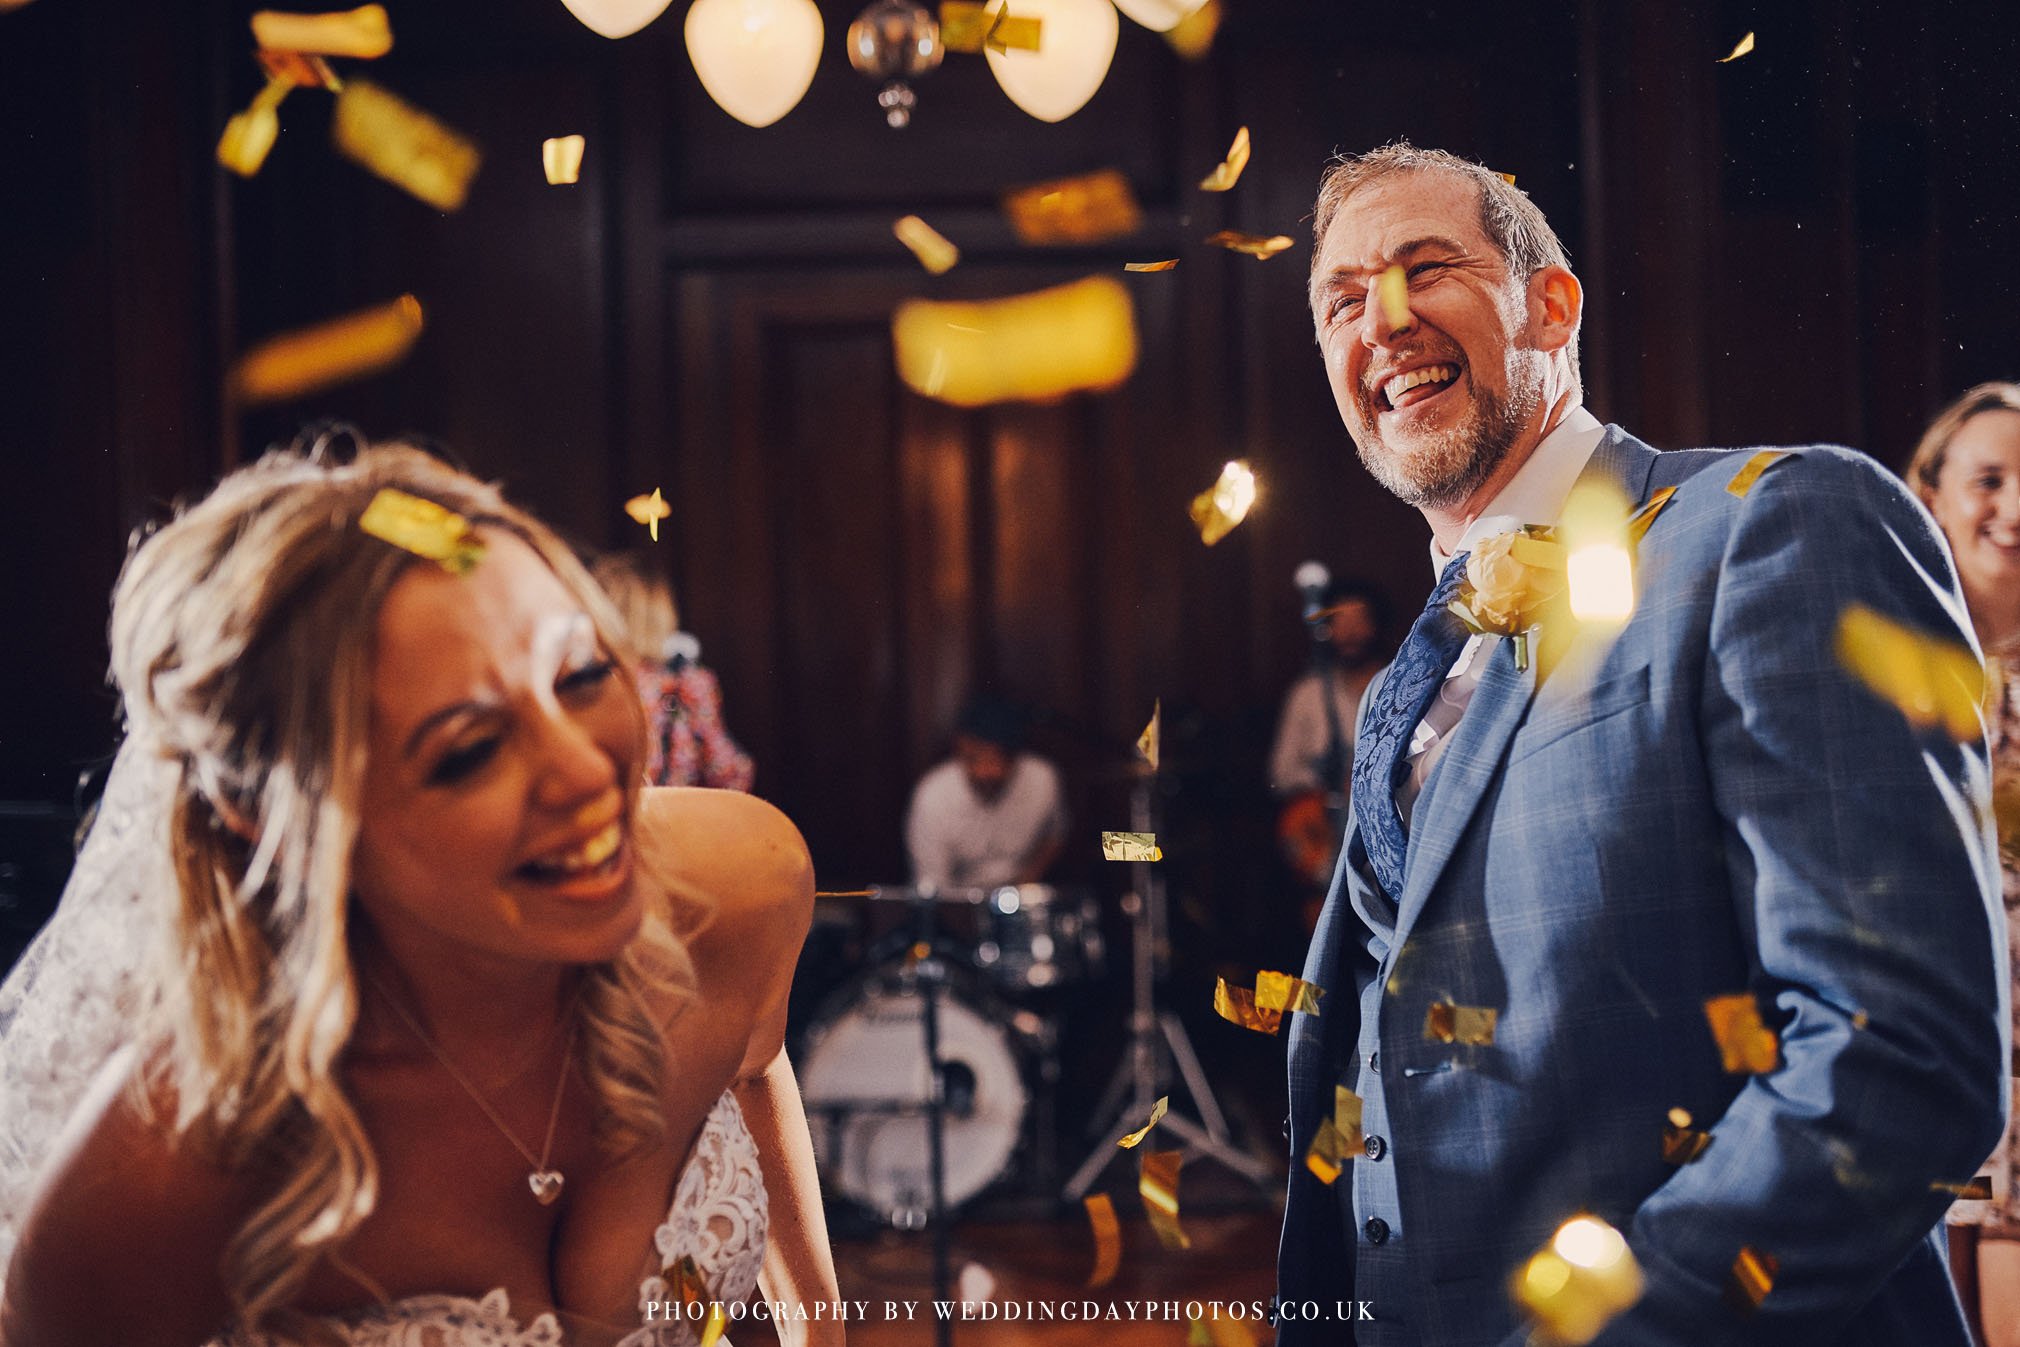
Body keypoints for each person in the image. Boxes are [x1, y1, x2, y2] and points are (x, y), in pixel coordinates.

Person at [1275, 141, 2005, 1347]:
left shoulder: (1773, 526)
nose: (1382, 322)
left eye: (1423, 268)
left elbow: (1902, 1062)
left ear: (1549, 303)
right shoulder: (1397, 689)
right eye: (1342, 302)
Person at [0, 439, 840, 1347]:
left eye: (581, 675)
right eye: (469, 749)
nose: (586, 770)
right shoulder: (176, 1164)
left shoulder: (738, 882)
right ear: (276, 817)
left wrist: (822, 1333)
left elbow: (752, 1064)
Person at [1909, 384, 2020, 1347]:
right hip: (1916, 1081)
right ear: (1933, 496)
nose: (2016, 508)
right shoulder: (1881, 666)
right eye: (1991, 480)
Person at [591, 553, 756, 792]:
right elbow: (730, 775)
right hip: (682, 824)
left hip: (613, 825)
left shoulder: (591, 685)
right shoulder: (691, 682)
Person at [905, 698, 1066, 891]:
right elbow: (932, 885)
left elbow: (1056, 832)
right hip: (957, 904)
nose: (985, 771)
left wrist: (1029, 879)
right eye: (974, 758)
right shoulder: (932, 796)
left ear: (1015, 756)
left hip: (1020, 900)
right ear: (960, 749)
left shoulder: (1043, 779)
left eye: (997, 758)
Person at [1269, 577, 1389, 801]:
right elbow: (1281, 772)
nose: (1350, 632)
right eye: (1340, 621)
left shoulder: (1399, 689)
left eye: (1359, 620)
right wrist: (1327, 782)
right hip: (1326, 820)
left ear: (1377, 625)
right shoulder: (1308, 692)